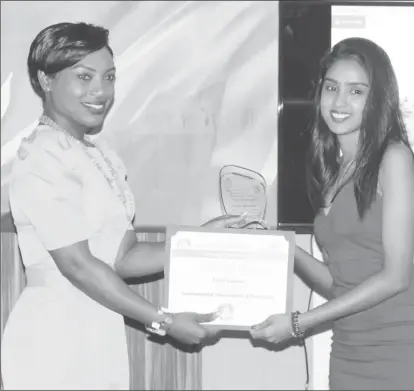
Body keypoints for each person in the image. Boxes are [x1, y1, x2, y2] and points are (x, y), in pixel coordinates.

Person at [0, 22, 249, 390]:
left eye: (109, 77)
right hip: (52, 334)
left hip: (100, 325)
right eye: (84, 77)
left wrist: (199, 240)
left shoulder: (99, 155)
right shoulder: (42, 154)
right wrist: (163, 321)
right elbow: (78, 266)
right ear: (46, 80)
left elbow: (123, 258)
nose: (100, 91)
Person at [250, 37, 414, 390]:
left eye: (356, 91)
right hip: (349, 351)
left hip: (399, 349)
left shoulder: (394, 158)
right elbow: (338, 283)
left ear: (378, 99)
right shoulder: (334, 175)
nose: (339, 102)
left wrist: (300, 323)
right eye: (331, 88)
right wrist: (283, 249)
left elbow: (397, 276)